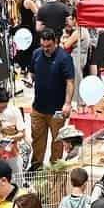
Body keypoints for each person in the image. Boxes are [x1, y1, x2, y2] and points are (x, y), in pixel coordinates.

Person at [29, 28, 74, 169]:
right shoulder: (36, 54)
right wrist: (30, 80)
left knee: (57, 141)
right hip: (38, 108)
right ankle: (36, 167)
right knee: (37, 140)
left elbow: (70, 82)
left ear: (56, 42)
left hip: (57, 110)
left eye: (48, 46)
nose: (45, 49)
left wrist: (67, 103)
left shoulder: (64, 58)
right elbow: (32, 73)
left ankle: (56, 169)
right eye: (43, 46)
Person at [60, 10, 90, 104]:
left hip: (76, 58)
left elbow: (66, 45)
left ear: (75, 19)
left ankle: (76, 102)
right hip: (81, 58)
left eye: (71, 18)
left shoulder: (78, 32)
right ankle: (78, 102)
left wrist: (63, 39)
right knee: (77, 80)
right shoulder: (84, 30)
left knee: (75, 82)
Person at [16, 0, 39, 79]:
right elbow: (38, 12)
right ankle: (30, 69)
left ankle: (23, 68)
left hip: (23, 26)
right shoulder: (29, 2)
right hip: (30, 27)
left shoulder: (21, 1)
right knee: (31, 47)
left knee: (24, 48)